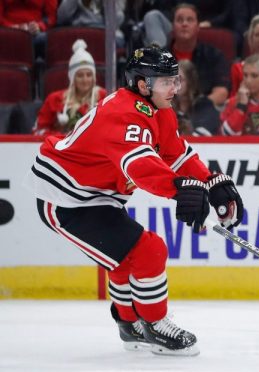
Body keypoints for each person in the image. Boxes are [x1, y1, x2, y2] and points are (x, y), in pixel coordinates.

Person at [26, 46, 244, 356]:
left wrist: (209, 182)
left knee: (126, 260)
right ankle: (154, 325)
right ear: (143, 84)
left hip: (96, 194)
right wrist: (181, 190)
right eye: (167, 81)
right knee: (149, 250)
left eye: (176, 80)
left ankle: (130, 324)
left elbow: (176, 154)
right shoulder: (123, 113)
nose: (175, 88)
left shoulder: (158, 109)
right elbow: (141, 167)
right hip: (66, 197)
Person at [33, 40, 106, 137]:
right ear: (72, 78)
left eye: (89, 75)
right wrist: (61, 137)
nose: (85, 80)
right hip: (62, 148)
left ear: (94, 77)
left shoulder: (104, 97)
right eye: (80, 75)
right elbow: (38, 131)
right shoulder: (54, 99)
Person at [166, 3, 231, 106]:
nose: (184, 24)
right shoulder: (159, 57)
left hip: (202, 113)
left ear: (197, 27)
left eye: (190, 20)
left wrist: (197, 107)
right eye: (179, 20)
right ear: (173, 26)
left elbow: (221, 92)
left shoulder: (214, 55)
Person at [174, 59, 220, 136]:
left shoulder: (204, 105)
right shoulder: (166, 105)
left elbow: (205, 134)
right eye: (174, 79)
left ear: (190, 81)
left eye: (180, 79)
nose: (176, 84)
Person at [56, 0, 126, 47]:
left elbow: (117, 20)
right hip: (79, 30)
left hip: (105, 31)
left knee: (117, 41)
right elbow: (61, 17)